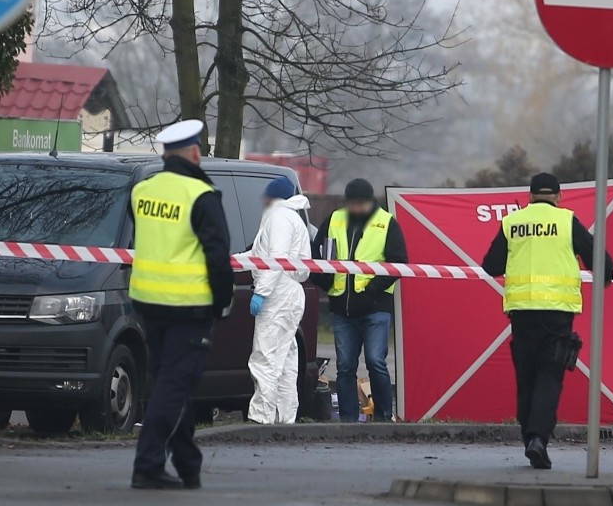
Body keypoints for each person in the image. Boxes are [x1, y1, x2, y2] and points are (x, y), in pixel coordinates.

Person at [481, 172, 613, 470]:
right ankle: (538, 438)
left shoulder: (513, 222)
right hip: (557, 314)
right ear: (558, 197)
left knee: (526, 377)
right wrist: (604, 276)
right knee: (549, 377)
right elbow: (602, 262)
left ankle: (529, 437)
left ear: (529, 196)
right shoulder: (567, 221)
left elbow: (490, 265)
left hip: (522, 314)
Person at [129, 119, 234, 490]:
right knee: (174, 386)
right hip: (189, 307)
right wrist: (223, 302)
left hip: (148, 304)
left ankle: (189, 465)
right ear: (193, 153)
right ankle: (147, 464)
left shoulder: (142, 190)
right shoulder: (201, 195)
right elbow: (218, 256)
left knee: (172, 384)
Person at [311, 179, 408, 422]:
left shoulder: (386, 223)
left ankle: (384, 418)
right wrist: (324, 281)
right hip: (342, 308)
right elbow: (315, 254)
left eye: (359, 204)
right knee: (345, 367)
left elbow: (398, 263)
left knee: (376, 362)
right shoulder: (334, 219)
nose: (355, 208)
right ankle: (348, 421)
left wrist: (370, 292)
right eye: (351, 203)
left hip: (375, 308)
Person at [247, 176, 312, 424]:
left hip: (278, 292)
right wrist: (234, 260)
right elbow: (259, 254)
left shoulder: (279, 217)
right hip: (291, 290)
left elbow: (276, 259)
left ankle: (261, 417)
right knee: (285, 359)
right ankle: (285, 418)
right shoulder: (291, 217)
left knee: (265, 355)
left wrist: (261, 292)